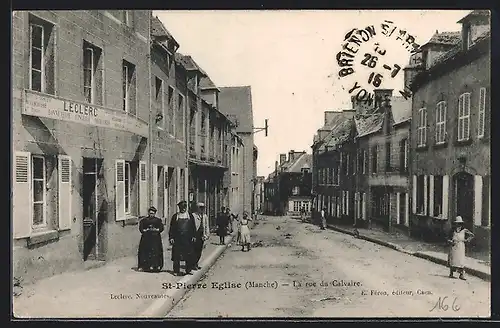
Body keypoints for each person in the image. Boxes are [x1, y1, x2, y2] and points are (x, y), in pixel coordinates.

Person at [169, 201, 197, 276]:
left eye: (184, 207)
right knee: (176, 255)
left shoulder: (189, 216)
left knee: (188, 255)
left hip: (187, 238)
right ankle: (176, 270)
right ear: (179, 208)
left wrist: (194, 236)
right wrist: (171, 237)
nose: (183, 209)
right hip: (177, 239)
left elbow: (193, 227)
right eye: (181, 208)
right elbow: (172, 228)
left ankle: (188, 270)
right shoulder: (175, 216)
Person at [137, 206, 164, 272]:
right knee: (144, 252)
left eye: (152, 213)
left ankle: (156, 266)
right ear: (148, 213)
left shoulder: (158, 220)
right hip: (146, 238)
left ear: (155, 213)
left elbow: (161, 228)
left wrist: (157, 229)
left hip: (155, 239)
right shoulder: (144, 220)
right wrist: (145, 230)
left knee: (155, 252)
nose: (151, 215)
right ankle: (144, 266)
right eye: (150, 213)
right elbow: (141, 228)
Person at [447, 216, 474, 280]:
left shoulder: (464, 230)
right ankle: (451, 273)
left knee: (461, 260)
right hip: (454, 246)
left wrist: (467, 240)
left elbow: (472, 235)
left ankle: (461, 275)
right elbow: (447, 238)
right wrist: (450, 241)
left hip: (461, 246)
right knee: (453, 259)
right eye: (457, 223)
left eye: (459, 223)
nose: (458, 225)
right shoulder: (452, 230)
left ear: (461, 224)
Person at [193, 202, 210, 270]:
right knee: (194, 250)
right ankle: (194, 264)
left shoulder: (205, 216)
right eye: (200, 208)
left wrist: (206, 235)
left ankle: (196, 263)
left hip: (201, 235)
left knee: (199, 250)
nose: (202, 209)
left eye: (203, 208)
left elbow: (206, 226)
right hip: (195, 235)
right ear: (197, 208)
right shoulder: (193, 215)